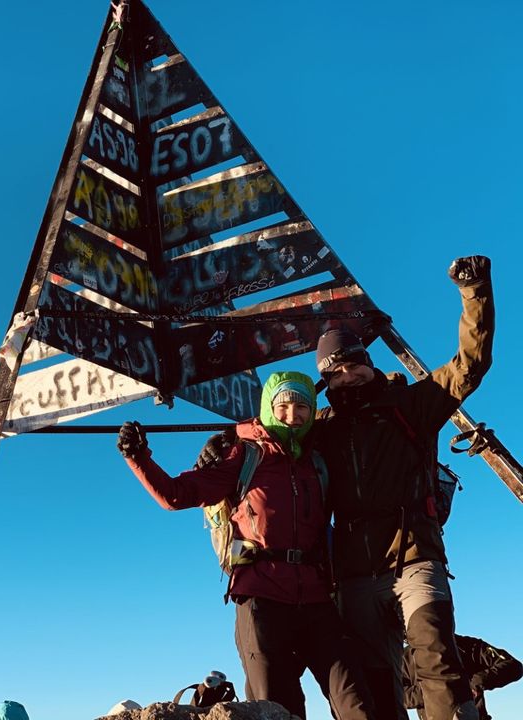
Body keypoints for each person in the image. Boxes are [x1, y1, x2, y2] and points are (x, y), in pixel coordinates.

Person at [117, 372, 374, 720]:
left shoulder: (317, 458)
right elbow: (176, 495)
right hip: (261, 599)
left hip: (316, 598)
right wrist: (138, 457)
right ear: (268, 408)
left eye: (301, 407)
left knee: (355, 700)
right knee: (279, 708)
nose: (292, 415)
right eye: (282, 406)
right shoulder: (243, 456)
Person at [312, 255, 495, 720]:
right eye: (336, 373)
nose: (348, 377)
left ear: (368, 365)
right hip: (355, 573)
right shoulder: (324, 427)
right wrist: (225, 442)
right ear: (327, 380)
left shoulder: (412, 404)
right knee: (377, 682)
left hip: (415, 556)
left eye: (354, 367)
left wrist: (473, 293)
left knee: (435, 657)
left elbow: (469, 365)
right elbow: (275, 429)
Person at [403, 635, 522, 720]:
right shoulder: (403, 658)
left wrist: (473, 683)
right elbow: (395, 694)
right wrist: (435, 690)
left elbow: (513, 666)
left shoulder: (468, 646)